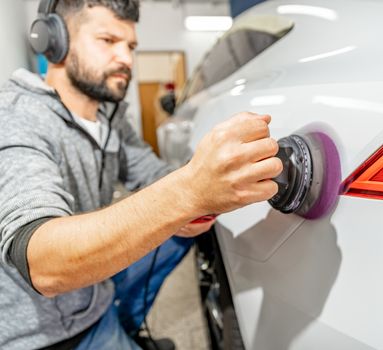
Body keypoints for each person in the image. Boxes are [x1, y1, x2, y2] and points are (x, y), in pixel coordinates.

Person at [0, 0, 282, 349]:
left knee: (178, 228)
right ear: (54, 41)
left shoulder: (109, 119)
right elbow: (44, 265)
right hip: (44, 336)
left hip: (95, 301)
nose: (126, 59)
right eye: (108, 40)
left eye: (130, 45)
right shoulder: (14, 119)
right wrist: (189, 191)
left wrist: (201, 192)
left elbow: (153, 174)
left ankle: (125, 321)